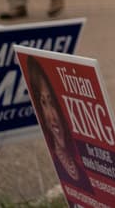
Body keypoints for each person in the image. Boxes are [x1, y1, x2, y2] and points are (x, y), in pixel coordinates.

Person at [24, 56, 93, 196]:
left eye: (53, 103)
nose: (52, 116)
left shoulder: (85, 163)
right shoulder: (60, 160)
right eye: (44, 103)